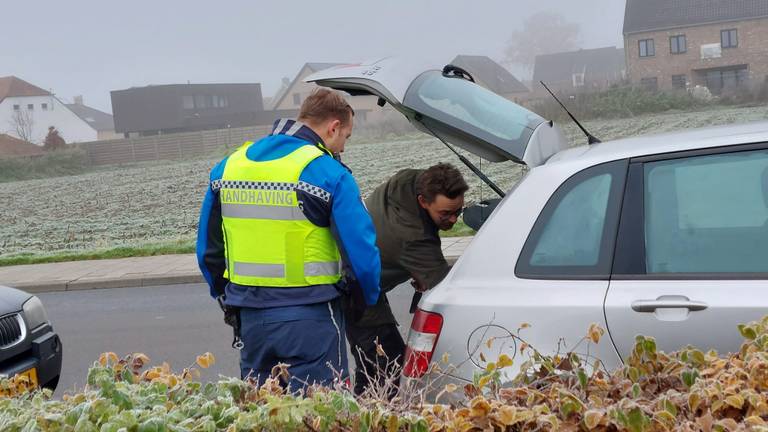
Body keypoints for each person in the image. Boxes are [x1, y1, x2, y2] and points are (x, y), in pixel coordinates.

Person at [197, 89, 381, 388]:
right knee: (318, 412)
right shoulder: (328, 173)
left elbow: (209, 250)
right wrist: (361, 303)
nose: (343, 147)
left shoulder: (228, 167)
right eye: (345, 137)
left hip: (249, 315)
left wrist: (228, 299)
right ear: (333, 127)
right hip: (312, 316)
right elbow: (361, 253)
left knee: (264, 409)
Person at [346, 163, 468, 396]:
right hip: (355, 291)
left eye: (458, 211)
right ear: (423, 201)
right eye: (445, 214)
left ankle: (360, 410)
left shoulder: (407, 181)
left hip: (357, 275)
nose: (453, 220)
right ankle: (376, 416)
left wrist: (416, 269)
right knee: (388, 368)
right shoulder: (414, 239)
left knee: (371, 365)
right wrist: (424, 271)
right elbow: (446, 289)